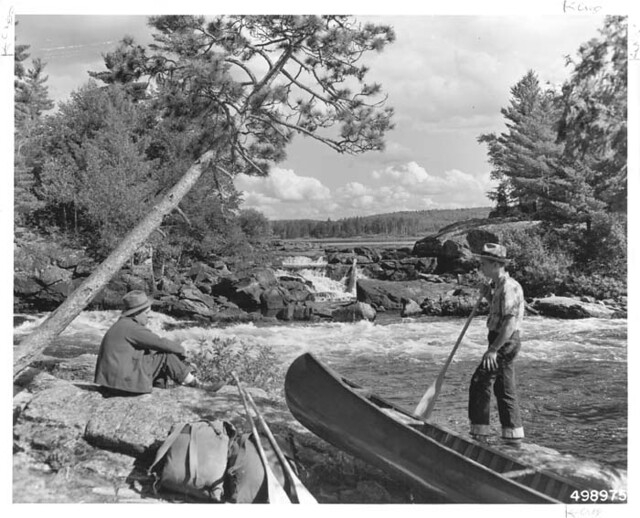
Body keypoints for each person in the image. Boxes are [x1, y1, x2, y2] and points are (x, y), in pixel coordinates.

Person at [94, 290, 221, 395]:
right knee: (165, 356)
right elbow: (161, 343)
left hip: (110, 383)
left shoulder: (121, 325)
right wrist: (183, 351)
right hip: (122, 384)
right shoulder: (133, 328)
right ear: (136, 313)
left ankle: (161, 390)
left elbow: (152, 348)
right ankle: (195, 385)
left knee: (155, 356)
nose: (149, 317)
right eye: (147, 313)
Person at [469, 243, 525, 444]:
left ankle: (479, 432)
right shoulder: (500, 286)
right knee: (503, 387)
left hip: (504, 341)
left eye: (483, 264)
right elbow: (502, 312)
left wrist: (493, 349)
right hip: (502, 339)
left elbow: (509, 323)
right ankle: (512, 434)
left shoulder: (509, 287)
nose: (480, 268)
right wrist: (488, 296)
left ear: (495, 264)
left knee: (480, 381)